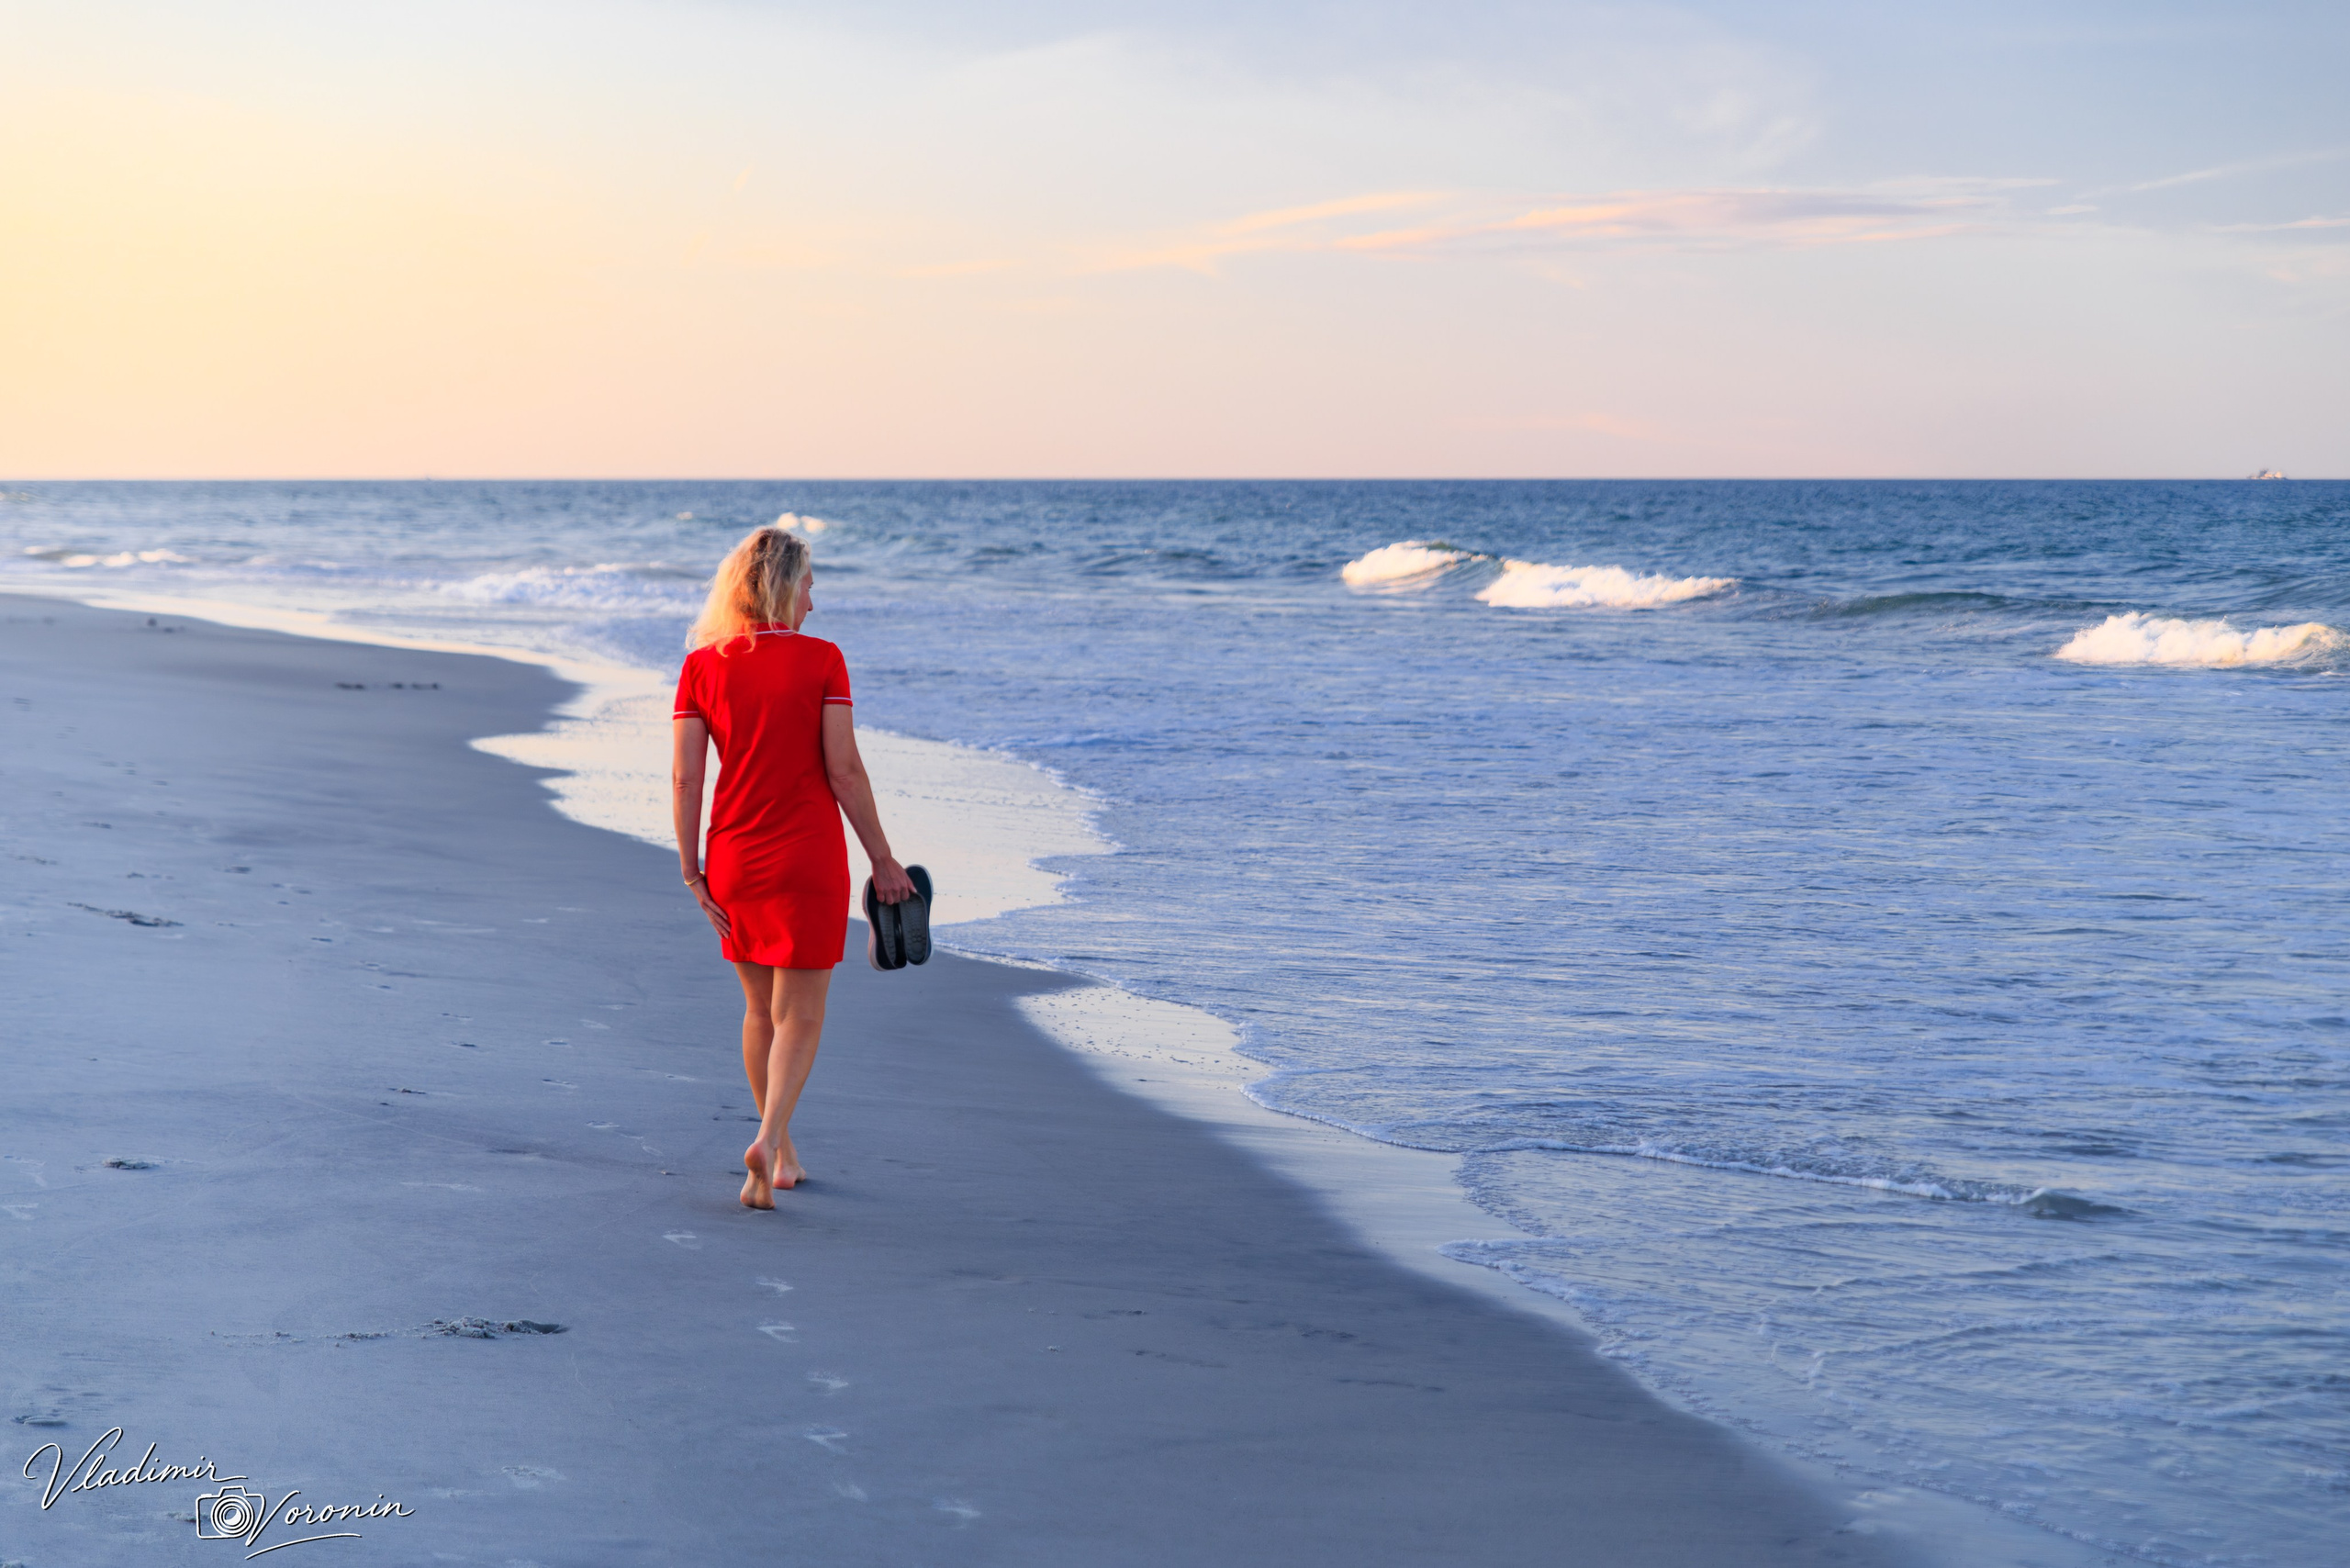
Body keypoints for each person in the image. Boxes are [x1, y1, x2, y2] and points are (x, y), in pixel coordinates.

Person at [671, 524, 916, 1209]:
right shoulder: (823, 661)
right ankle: (767, 1137)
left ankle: (781, 1157)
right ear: (784, 586)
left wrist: (692, 871)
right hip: (808, 856)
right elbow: (843, 770)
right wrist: (884, 858)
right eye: (808, 584)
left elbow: (687, 781)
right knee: (802, 1016)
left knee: (759, 1011)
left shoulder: (702, 666)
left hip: (735, 858)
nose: (814, 600)